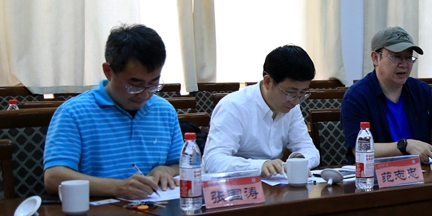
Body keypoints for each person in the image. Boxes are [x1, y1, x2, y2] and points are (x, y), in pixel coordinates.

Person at [44, 24, 183, 199]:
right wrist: (118, 188)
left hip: (155, 208)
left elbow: (182, 164)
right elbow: (54, 178)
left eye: (153, 84)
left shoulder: (164, 111)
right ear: (108, 72)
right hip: (97, 212)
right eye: (134, 85)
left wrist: (166, 170)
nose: (145, 94)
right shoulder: (74, 113)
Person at [341, 27, 432, 162]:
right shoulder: (357, 96)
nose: (404, 64)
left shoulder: (420, 91)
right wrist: (404, 146)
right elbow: (359, 149)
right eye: (396, 57)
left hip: (420, 173)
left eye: (408, 57)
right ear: (375, 58)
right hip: (375, 176)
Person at [203, 45, 320, 175]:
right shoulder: (233, 106)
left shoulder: (291, 106)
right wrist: (260, 166)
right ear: (267, 82)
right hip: (233, 184)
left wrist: (297, 162)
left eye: (302, 93)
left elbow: (309, 149)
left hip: (273, 184)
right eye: (290, 92)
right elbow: (214, 161)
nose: (296, 101)